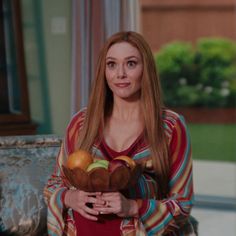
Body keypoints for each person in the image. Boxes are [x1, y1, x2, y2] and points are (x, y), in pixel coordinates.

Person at [44, 31, 198, 236]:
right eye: (112, 64)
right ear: (104, 71)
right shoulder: (81, 123)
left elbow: (183, 203)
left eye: (131, 63)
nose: (120, 74)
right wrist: (69, 198)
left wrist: (133, 207)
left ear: (146, 69)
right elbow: (55, 184)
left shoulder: (170, 126)